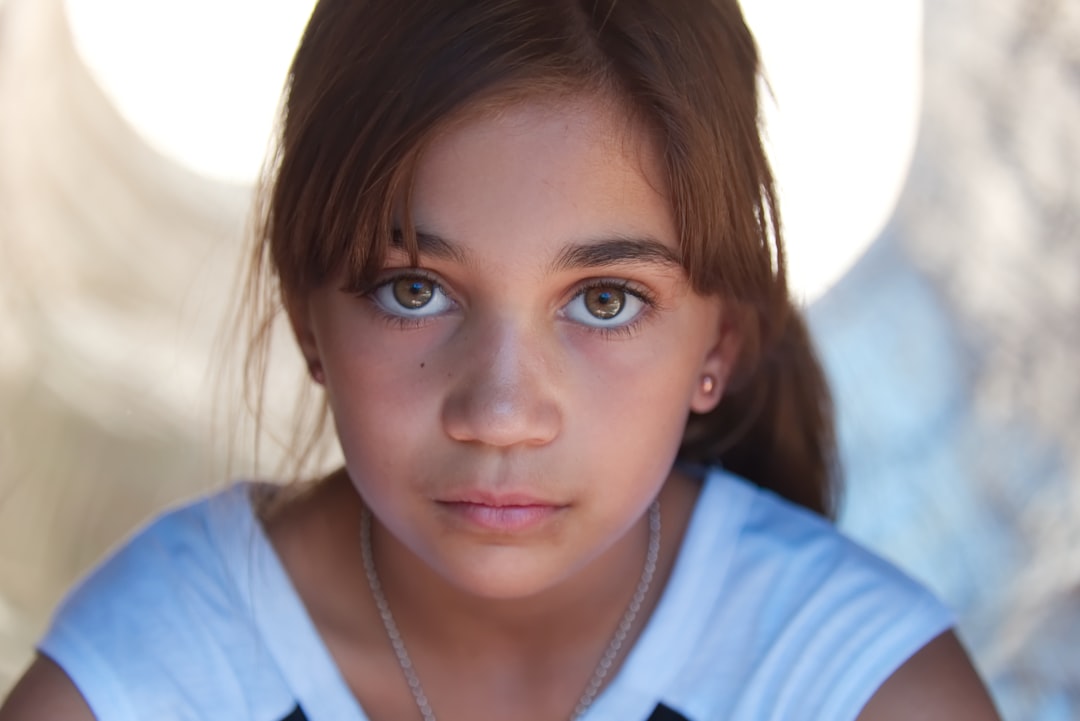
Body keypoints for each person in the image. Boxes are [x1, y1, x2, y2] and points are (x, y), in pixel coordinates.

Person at [0, 0, 1002, 719]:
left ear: (719, 343)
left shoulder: (865, 688)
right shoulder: (146, 676)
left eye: (604, 301)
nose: (502, 411)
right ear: (309, 321)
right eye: (415, 289)